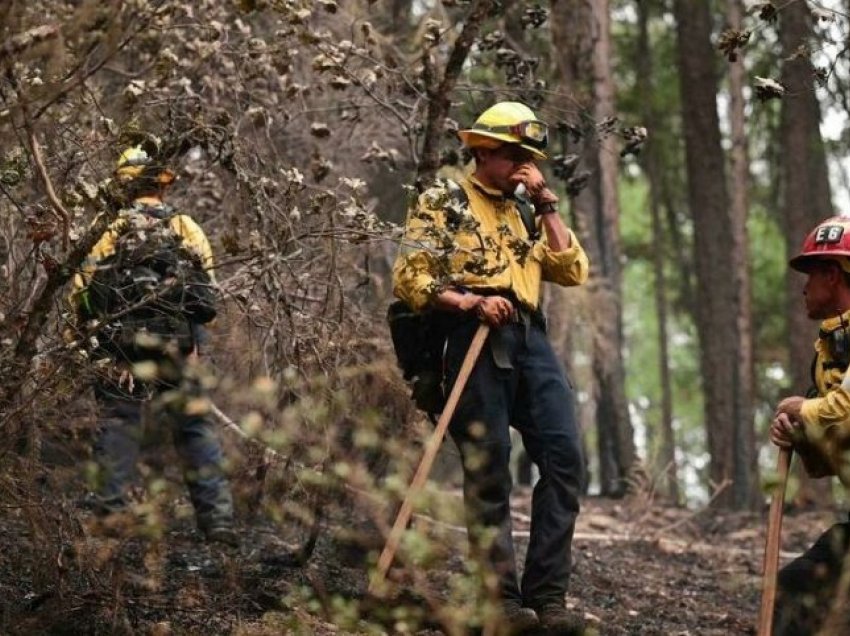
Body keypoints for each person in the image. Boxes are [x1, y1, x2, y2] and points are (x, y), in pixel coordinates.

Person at [393, 102, 589, 634]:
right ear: (483, 151)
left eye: (530, 156)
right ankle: (500, 602)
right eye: (515, 155)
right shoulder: (446, 199)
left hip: (529, 337)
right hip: (471, 334)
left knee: (565, 455)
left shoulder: (527, 209)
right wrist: (468, 302)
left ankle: (548, 599)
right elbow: (411, 276)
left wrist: (547, 203)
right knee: (490, 464)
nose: (526, 165)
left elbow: (572, 270)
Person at [69, 142, 236, 546]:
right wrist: (196, 347)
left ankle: (110, 517)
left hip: (119, 348)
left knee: (118, 423)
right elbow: (205, 298)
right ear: (162, 186)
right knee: (194, 427)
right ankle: (218, 524)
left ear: (121, 187)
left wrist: (91, 346)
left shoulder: (107, 230)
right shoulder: (185, 227)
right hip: (178, 347)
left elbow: (81, 293)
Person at [771, 215, 850, 634]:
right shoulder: (826, 356)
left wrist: (804, 409)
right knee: (792, 594)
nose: (803, 288)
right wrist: (799, 437)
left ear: (833, 275)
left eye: (811, 275)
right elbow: (824, 464)